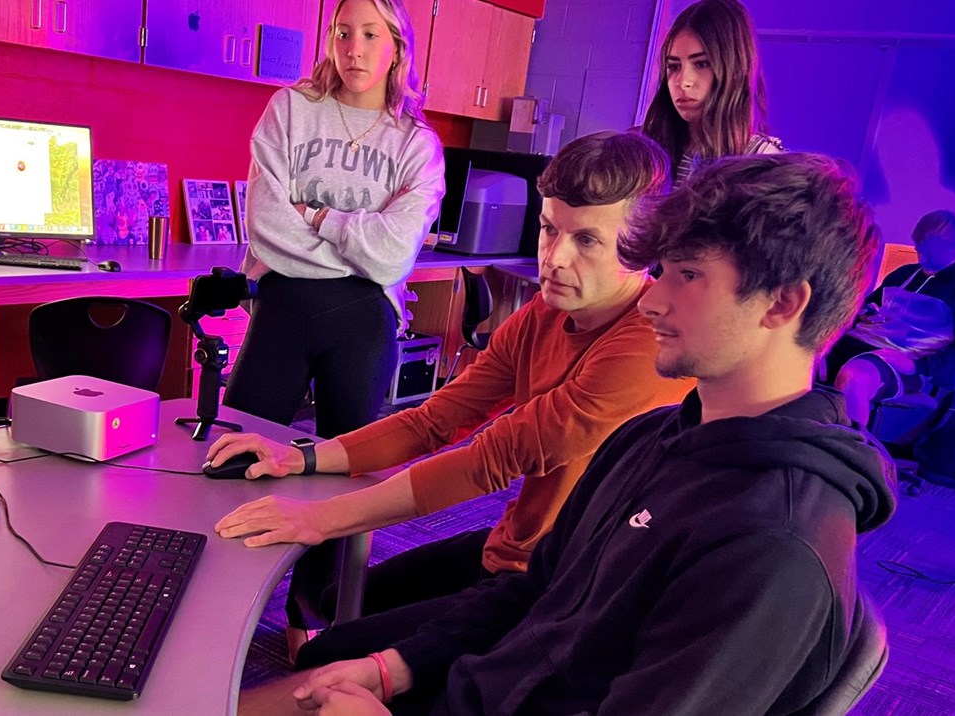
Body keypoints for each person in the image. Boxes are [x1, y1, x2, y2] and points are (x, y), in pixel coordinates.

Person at [239, 152, 896, 716]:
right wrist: (395, 667)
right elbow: (535, 593)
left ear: (782, 303)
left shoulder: (773, 548)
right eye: (662, 270)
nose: (655, 300)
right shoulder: (651, 439)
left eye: (687, 275)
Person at [210, 131, 694, 657]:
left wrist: (318, 519)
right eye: (548, 229)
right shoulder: (545, 314)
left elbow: (494, 458)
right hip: (515, 549)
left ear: (639, 245)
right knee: (334, 602)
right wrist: (299, 458)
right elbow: (436, 418)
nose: (553, 258)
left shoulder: (648, 342)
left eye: (586, 241)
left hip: (568, 590)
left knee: (328, 653)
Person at [222, 0, 445, 441]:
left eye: (370, 34)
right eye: (343, 33)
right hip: (283, 305)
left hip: (364, 318)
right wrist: (362, 252)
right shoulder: (290, 109)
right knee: (233, 451)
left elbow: (394, 255)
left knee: (342, 473)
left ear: (397, 47)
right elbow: (267, 227)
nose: (353, 49)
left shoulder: (417, 146)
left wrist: (317, 215)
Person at [823, 210, 955, 426]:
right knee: (801, 357)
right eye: (919, 251)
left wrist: (920, 366)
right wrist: (866, 313)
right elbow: (867, 305)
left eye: (930, 253)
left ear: (954, 247)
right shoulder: (905, 273)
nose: (923, 258)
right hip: (857, 343)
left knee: (854, 379)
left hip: (902, 360)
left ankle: (849, 453)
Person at [640, 0, 783, 185]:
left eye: (702, 64)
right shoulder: (648, 146)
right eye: (674, 66)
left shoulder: (764, 165)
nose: (683, 82)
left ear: (735, 69)